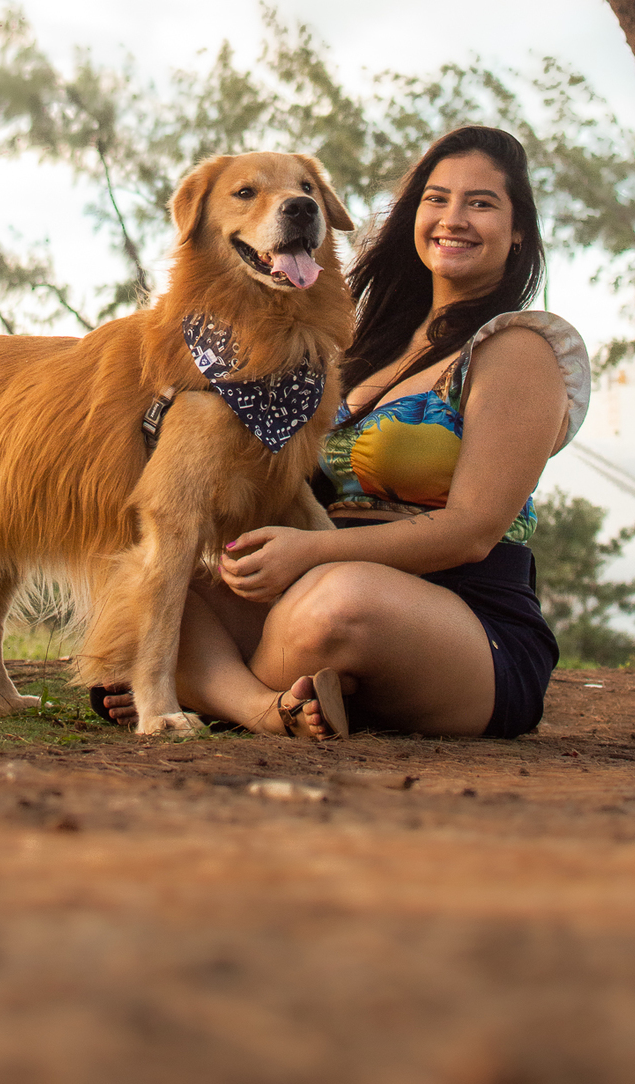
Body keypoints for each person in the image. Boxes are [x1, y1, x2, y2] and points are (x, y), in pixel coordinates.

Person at [95, 126, 590, 741]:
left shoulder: (518, 348)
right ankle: (270, 703)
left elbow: (472, 532)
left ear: (518, 232)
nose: (453, 219)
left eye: (481, 203)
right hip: (309, 585)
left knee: (340, 602)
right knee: (161, 582)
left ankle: (230, 695)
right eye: (436, 199)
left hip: (464, 616)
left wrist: (311, 553)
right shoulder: (352, 350)